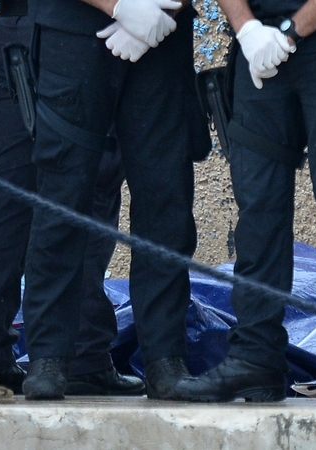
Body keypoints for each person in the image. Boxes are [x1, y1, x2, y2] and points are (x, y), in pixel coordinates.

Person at [178, 0, 316, 404]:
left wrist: (291, 32)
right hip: (258, 42)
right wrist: (246, 30)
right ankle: (255, 359)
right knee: (258, 208)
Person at [20, 0, 211, 400]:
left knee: (166, 200)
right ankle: (48, 358)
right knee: (62, 198)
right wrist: (119, 5)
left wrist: (164, 11)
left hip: (163, 30)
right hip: (74, 26)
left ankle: (165, 359)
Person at [0, 0, 143, 396]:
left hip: (45, 27)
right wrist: (121, 6)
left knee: (48, 190)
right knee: (47, 191)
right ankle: (63, 354)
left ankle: (69, 354)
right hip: (62, 29)